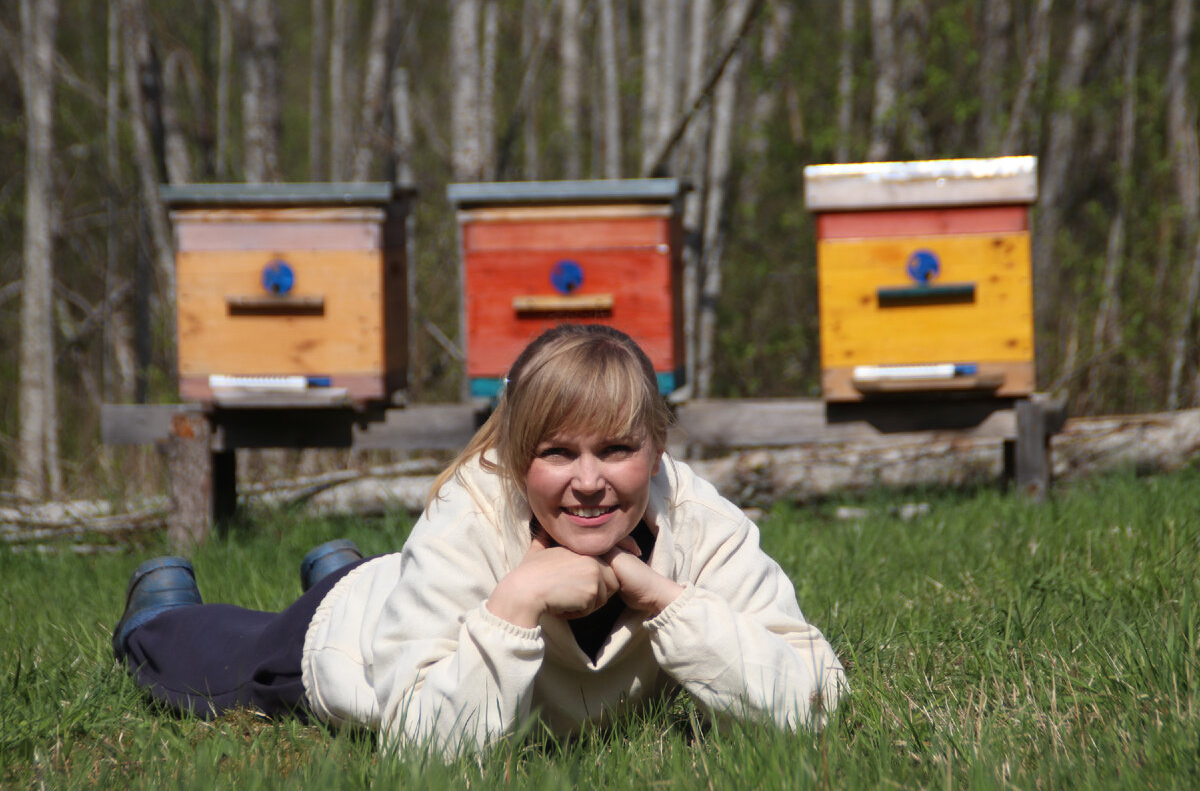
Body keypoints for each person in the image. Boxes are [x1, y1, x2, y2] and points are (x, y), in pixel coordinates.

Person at [112, 323, 846, 755]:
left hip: (414, 590)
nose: (589, 482)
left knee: (393, 580)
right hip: (351, 635)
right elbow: (424, 744)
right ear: (515, 453)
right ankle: (163, 609)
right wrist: (519, 598)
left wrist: (665, 599)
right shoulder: (467, 514)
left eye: (616, 450)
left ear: (656, 447)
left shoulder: (699, 519)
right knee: (206, 664)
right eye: (558, 453)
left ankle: (340, 564)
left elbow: (817, 697)